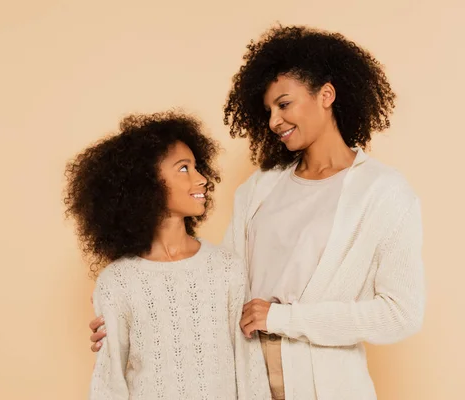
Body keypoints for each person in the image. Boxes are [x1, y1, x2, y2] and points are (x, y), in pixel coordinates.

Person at [88, 25, 425, 400]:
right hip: (241, 381)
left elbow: (400, 314)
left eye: (284, 104)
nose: (273, 122)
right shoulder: (260, 189)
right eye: (267, 111)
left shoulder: (383, 193)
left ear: (326, 95)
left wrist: (285, 319)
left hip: (328, 387)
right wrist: (130, 325)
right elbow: (220, 286)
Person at [65, 111, 268, 399]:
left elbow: (250, 371)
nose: (201, 180)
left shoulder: (227, 269)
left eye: (197, 167)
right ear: (146, 183)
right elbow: (109, 384)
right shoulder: (118, 282)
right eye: (184, 168)